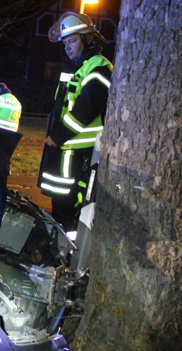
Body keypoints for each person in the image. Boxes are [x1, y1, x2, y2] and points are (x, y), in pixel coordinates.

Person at [37, 12, 112, 232]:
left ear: (88, 39)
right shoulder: (77, 68)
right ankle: (59, 245)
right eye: (65, 42)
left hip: (78, 152)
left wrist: (58, 135)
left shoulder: (99, 67)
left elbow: (85, 110)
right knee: (60, 206)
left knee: (70, 208)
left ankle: (68, 253)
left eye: (72, 41)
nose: (67, 47)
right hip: (65, 151)